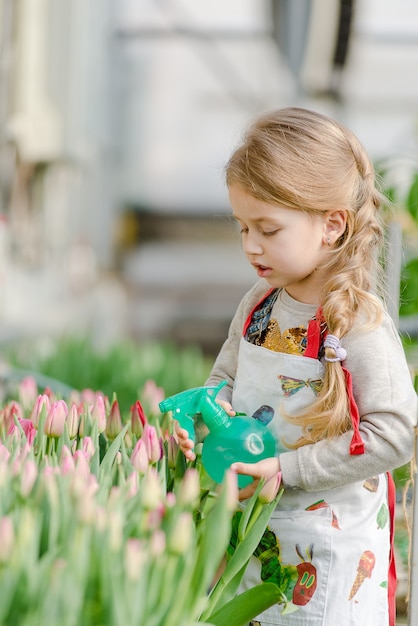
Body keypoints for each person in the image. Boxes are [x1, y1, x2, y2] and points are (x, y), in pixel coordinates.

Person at [176, 107, 417, 626]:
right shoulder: (259, 305)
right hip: (259, 534)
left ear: (332, 225)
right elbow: (224, 380)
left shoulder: (358, 324)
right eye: (242, 227)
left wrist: (285, 470)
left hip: (330, 551)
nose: (250, 245)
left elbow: (394, 435)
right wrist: (206, 416)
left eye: (267, 228)